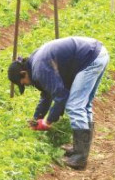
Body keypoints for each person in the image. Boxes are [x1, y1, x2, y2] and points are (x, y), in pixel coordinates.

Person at [8, 36, 109, 170]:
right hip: (97, 53)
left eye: (23, 83)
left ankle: (80, 157)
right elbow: (47, 94)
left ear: (23, 73)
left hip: (90, 59)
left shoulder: (39, 69)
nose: (27, 85)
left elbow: (61, 96)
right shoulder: (34, 64)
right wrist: (36, 119)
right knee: (84, 105)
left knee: (75, 106)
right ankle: (79, 149)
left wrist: (48, 121)